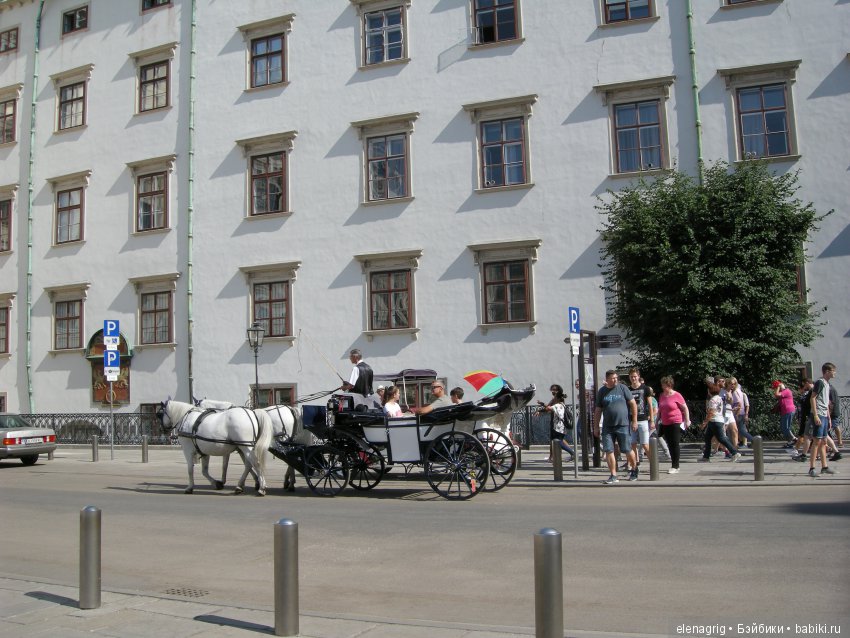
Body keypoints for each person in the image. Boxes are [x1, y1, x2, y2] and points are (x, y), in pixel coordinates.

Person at [594, 370, 638, 484]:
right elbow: (598, 410)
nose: (615, 380)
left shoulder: (623, 388)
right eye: (612, 378)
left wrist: (634, 420)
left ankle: (634, 469)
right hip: (608, 427)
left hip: (623, 424)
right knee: (609, 450)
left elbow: (633, 403)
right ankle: (613, 474)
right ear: (607, 379)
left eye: (616, 378)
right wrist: (596, 427)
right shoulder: (602, 391)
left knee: (627, 449)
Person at [699, 382, 741, 462]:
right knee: (708, 438)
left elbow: (711, 412)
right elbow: (723, 408)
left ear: (710, 391)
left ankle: (734, 452)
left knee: (721, 438)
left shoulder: (712, 400)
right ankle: (706, 457)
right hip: (717, 420)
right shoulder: (720, 398)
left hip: (715, 421)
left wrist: (704, 423)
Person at [808, 363, 837, 477]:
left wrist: (828, 417)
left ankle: (824, 467)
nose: (834, 373)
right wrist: (815, 415)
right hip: (819, 414)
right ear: (827, 371)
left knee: (824, 441)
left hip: (824, 415)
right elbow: (813, 398)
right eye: (833, 371)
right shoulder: (820, 382)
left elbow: (826, 402)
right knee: (817, 441)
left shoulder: (826, 383)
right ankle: (812, 468)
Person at [657, 376, 690, 474]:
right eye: (662, 385)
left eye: (665, 385)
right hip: (665, 422)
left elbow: (685, 408)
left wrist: (687, 420)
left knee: (675, 443)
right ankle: (674, 464)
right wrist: (656, 420)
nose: (663, 387)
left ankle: (675, 466)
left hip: (676, 421)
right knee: (670, 444)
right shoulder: (662, 395)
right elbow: (660, 410)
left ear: (669, 385)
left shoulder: (677, 395)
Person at [538, 384, 575, 463]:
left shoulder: (558, 405)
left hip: (558, 427)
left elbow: (548, 408)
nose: (553, 393)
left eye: (554, 391)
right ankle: (556, 457)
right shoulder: (560, 405)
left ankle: (572, 453)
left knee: (557, 442)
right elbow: (549, 408)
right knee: (558, 441)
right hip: (560, 426)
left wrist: (541, 405)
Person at [627, 368, 652, 468]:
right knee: (632, 444)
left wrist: (652, 420)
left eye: (635, 376)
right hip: (631, 420)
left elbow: (650, 404)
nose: (633, 378)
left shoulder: (645, 388)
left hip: (643, 419)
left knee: (645, 444)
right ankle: (634, 464)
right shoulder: (628, 389)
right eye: (631, 376)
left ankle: (653, 464)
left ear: (638, 376)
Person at [727, 377, 753, 448]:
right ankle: (752, 441)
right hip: (740, 413)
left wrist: (737, 413)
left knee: (737, 430)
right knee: (740, 430)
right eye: (730, 384)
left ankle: (753, 440)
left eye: (734, 384)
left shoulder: (735, 392)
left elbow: (739, 403)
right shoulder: (739, 391)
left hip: (737, 414)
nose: (732, 385)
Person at [773, 380, 797, 446]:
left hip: (788, 411)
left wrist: (778, 386)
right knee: (784, 427)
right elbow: (777, 396)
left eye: (776, 388)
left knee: (786, 427)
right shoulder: (783, 392)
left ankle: (794, 439)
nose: (775, 389)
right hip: (785, 411)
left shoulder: (786, 391)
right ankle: (791, 441)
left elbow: (776, 394)